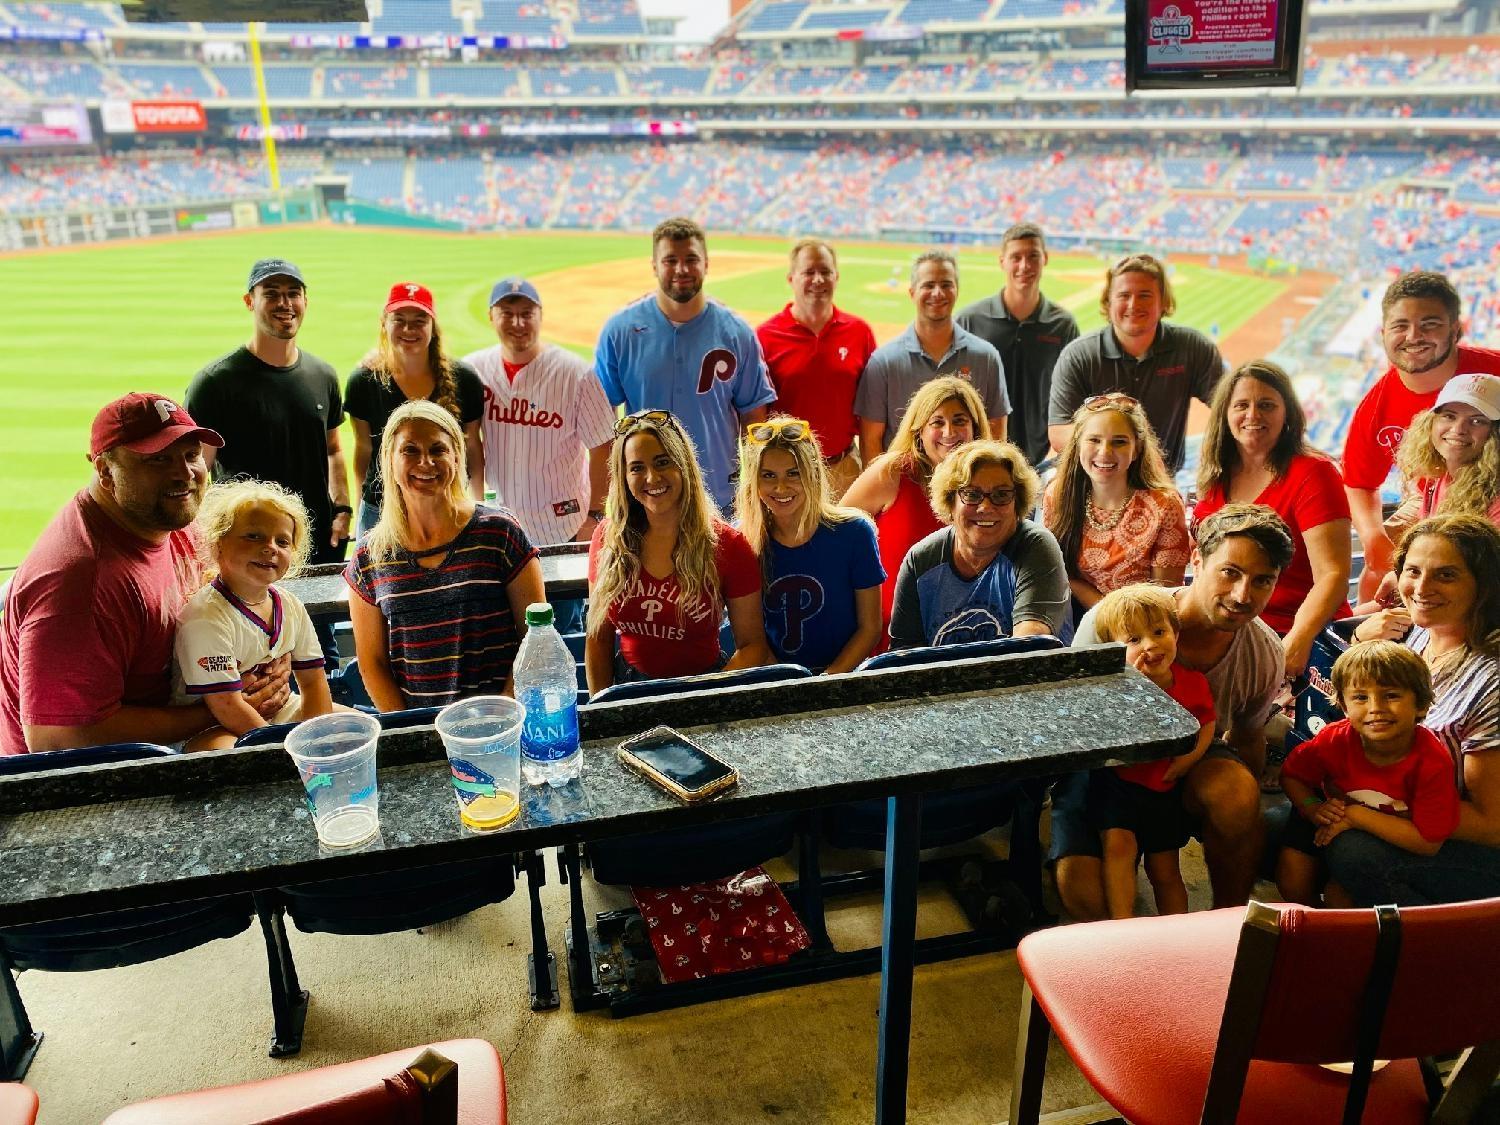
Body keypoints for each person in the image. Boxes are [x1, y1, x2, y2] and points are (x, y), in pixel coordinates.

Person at [1, 393, 289, 755]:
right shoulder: (80, 586)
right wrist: (217, 710)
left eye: (191, 455)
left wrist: (273, 659)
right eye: (158, 460)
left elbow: (230, 598)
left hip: (186, 718)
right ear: (106, 471)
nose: (183, 474)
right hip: (87, 787)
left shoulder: (167, 517)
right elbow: (58, 741)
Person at [1057, 503, 1292, 914]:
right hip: (1106, 766)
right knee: (1084, 896)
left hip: (1188, 762)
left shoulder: (1264, 652)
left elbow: (1249, 736)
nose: (1242, 595)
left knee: (1237, 796)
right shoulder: (1113, 620)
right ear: (1197, 560)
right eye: (1230, 573)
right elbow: (1072, 724)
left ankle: (1226, 921)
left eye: (1262, 581)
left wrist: (1238, 821)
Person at [1334, 515, 1500, 904]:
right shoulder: (1422, 632)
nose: (1422, 588)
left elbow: (1492, 825)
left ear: (1485, 585)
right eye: (1413, 571)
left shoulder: (1491, 679)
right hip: (1396, 804)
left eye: (1446, 575)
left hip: (1481, 848)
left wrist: (1366, 807)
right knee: (1276, 827)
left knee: (1354, 852)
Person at [345, 400, 546, 710]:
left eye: (437, 450)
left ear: (456, 457)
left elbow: (536, 637)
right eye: (410, 450)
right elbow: (372, 664)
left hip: (500, 727)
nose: (425, 463)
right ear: (389, 460)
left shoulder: (500, 532)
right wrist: (409, 730)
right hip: (421, 730)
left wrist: (503, 714)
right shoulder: (368, 557)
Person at [593, 218, 776, 512]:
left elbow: (754, 418)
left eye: (691, 259)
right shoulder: (620, 330)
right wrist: (607, 497)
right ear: (654, 266)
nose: (682, 269)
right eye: (670, 260)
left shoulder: (737, 332)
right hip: (645, 496)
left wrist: (754, 490)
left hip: (719, 497)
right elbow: (601, 422)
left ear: (706, 264)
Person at [585, 410, 771, 694]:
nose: (652, 477)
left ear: (684, 464)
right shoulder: (609, 538)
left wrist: (707, 696)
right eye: (636, 468)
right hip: (629, 686)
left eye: (663, 462)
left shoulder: (728, 545)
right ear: (623, 477)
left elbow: (753, 645)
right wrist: (602, 707)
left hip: (705, 683)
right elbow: (597, 637)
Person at [1342, 271, 1500, 600]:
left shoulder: (1492, 371)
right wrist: (1373, 538)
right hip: (1432, 485)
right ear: (1384, 333)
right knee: (1380, 565)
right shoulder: (1376, 405)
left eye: (1430, 324)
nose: (1414, 336)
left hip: (1489, 486)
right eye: (1401, 326)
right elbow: (1358, 481)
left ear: (1456, 330)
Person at [185, 258, 352, 566]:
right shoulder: (215, 383)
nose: (284, 303)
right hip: (249, 550)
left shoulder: (323, 375)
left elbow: (333, 451)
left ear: (305, 301)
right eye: (272, 293)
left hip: (317, 542)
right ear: (250, 301)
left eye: (293, 293)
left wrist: (342, 510)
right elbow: (196, 473)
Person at [1194, 360, 1351, 679]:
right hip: (1232, 630)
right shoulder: (1216, 478)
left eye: (1266, 405)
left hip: (1295, 633)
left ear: (1287, 414)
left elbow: (1333, 573)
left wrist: (1299, 638)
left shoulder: (1313, 473)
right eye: (1242, 405)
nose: (1253, 416)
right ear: (1225, 413)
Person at [1275, 640, 1458, 907]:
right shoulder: (1334, 739)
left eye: (1391, 695)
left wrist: (1355, 816)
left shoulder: (1432, 762)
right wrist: (1313, 808)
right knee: (1292, 879)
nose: (1376, 707)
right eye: (1361, 697)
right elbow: (1292, 776)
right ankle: (1314, 928)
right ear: (1344, 707)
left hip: (1386, 831)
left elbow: (1429, 842)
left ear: (1421, 705)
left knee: (1344, 896)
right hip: (1329, 809)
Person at [173, 480, 335, 751]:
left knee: (350, 725)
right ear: (218, 543)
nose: (270, 547)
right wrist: (283, 751)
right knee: (232, 756)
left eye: (282, 541)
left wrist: (318, 741)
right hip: (212, 725)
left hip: (279, 710)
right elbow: (226, 705)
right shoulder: (206, 617)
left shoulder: (290, 604)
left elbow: (314, 681)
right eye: (253, 536)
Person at [1085, 585, 1215, 918]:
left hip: (1165, 791)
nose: (1150, 645)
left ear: (1176, 633)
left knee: (1165, 868)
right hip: (1119, 786)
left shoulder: (1192, 683)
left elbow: (1208, 723)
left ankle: (1176, 933)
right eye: (1133, 640)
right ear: (1113, 649)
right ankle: (1123, 927)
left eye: (1159, 632)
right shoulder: (1113, 689)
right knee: (1118, 848)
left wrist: (1187, 761)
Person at [465, 276, 616, 546]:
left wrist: (594, 516)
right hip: (500, 526)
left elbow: (604, 445)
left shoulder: (576, 373)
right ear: (491, 316)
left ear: (540, 316)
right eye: (507, 314)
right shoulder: (473, 370)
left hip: (565, 523)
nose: (518, 323)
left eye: (526, 314)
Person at [1047, 252, 1224, 472]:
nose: (1133, 304)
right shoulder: (1078, 356)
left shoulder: (1192, 348)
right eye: (1124, 295)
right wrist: (1123, 448)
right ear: (1108, 302)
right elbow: (1059, 433)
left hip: (1161, 486)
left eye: (1145, 295)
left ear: (1163, 302)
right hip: (1093, 481)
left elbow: (1229, 406)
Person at [843, 376, 991, 637]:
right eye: (937, 422)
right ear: (919, 431)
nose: (949, 432)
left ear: (975, 430)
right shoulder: (892, 472)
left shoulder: (989, 483)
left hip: (963, 633)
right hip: (888, 636)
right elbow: (836, 535)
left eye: (960, 421)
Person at [735, 416, 884, 674]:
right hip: (777, 679)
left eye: (793, 473)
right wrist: (788, 683)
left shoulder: (855, 532)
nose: (781, 487)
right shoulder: (745, 542)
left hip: (845, 676)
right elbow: (751, 638)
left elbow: (870, 627)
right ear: (753, 483)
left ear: (813, 473)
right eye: (768, 475)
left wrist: (827, 680)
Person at [888, 440, 1071, 648]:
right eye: (971, 495)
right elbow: (903, 656)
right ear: (950, 501)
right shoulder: (921, 559)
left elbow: (1028, 647)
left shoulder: (1034, 545)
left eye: (1001, 495)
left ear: (1017, 502)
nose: (985, 506)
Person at [345, 282, 485, 538]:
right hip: (381, 510)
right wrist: (359, 509)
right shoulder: (363, 381)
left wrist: (477, 503)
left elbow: (473, 447)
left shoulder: (464, 379)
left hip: (449, 506)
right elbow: (363, 450)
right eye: (399, 320)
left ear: (433, 327)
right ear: (384, 324)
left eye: (420, 320)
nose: (409, 329)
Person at [854, 250, 1010, 464]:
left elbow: (996, 432)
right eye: (928, 285)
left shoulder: (986, 357)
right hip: (904, 489)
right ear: (912, 292)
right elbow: (871, 440)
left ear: (956, 290)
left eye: (946, 284)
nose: (938, 293)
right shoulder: (883, 362)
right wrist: (883, 496)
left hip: (965, 488)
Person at [1043, 392, 1188, 613]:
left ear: (1137, 449)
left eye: (1119, 442)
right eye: (1094, 440)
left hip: (1142, 627)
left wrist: (1107, 614)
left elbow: (1165, 601)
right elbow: (1054, 570)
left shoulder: (1164, 506)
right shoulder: (1058, 494)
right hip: (1075, 620)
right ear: (1078, 444)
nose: (1105, 452)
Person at [756, 240, 878, 499]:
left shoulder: (859, 332)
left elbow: (871, 411)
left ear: (836, 277)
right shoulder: (765, 337)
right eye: (809, 272)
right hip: (786, 473)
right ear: (791, 278)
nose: (818, 279)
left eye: (825, 271)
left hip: (843, 467)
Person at [956, 222, 1080, 466]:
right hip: (979, 459)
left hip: (1043, 461)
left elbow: (1074, 397)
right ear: (1002, 261)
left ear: (1045, 259)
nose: (1024, 266)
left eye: (1033, 256)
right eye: (1016, 257)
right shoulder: (970, 320)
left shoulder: (1063, 326)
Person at [1393, 372, 1500, 526]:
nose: (1458, 429)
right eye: (1449, 416)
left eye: (1477, 421)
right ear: (1430, 423)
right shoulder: (1438, 478)